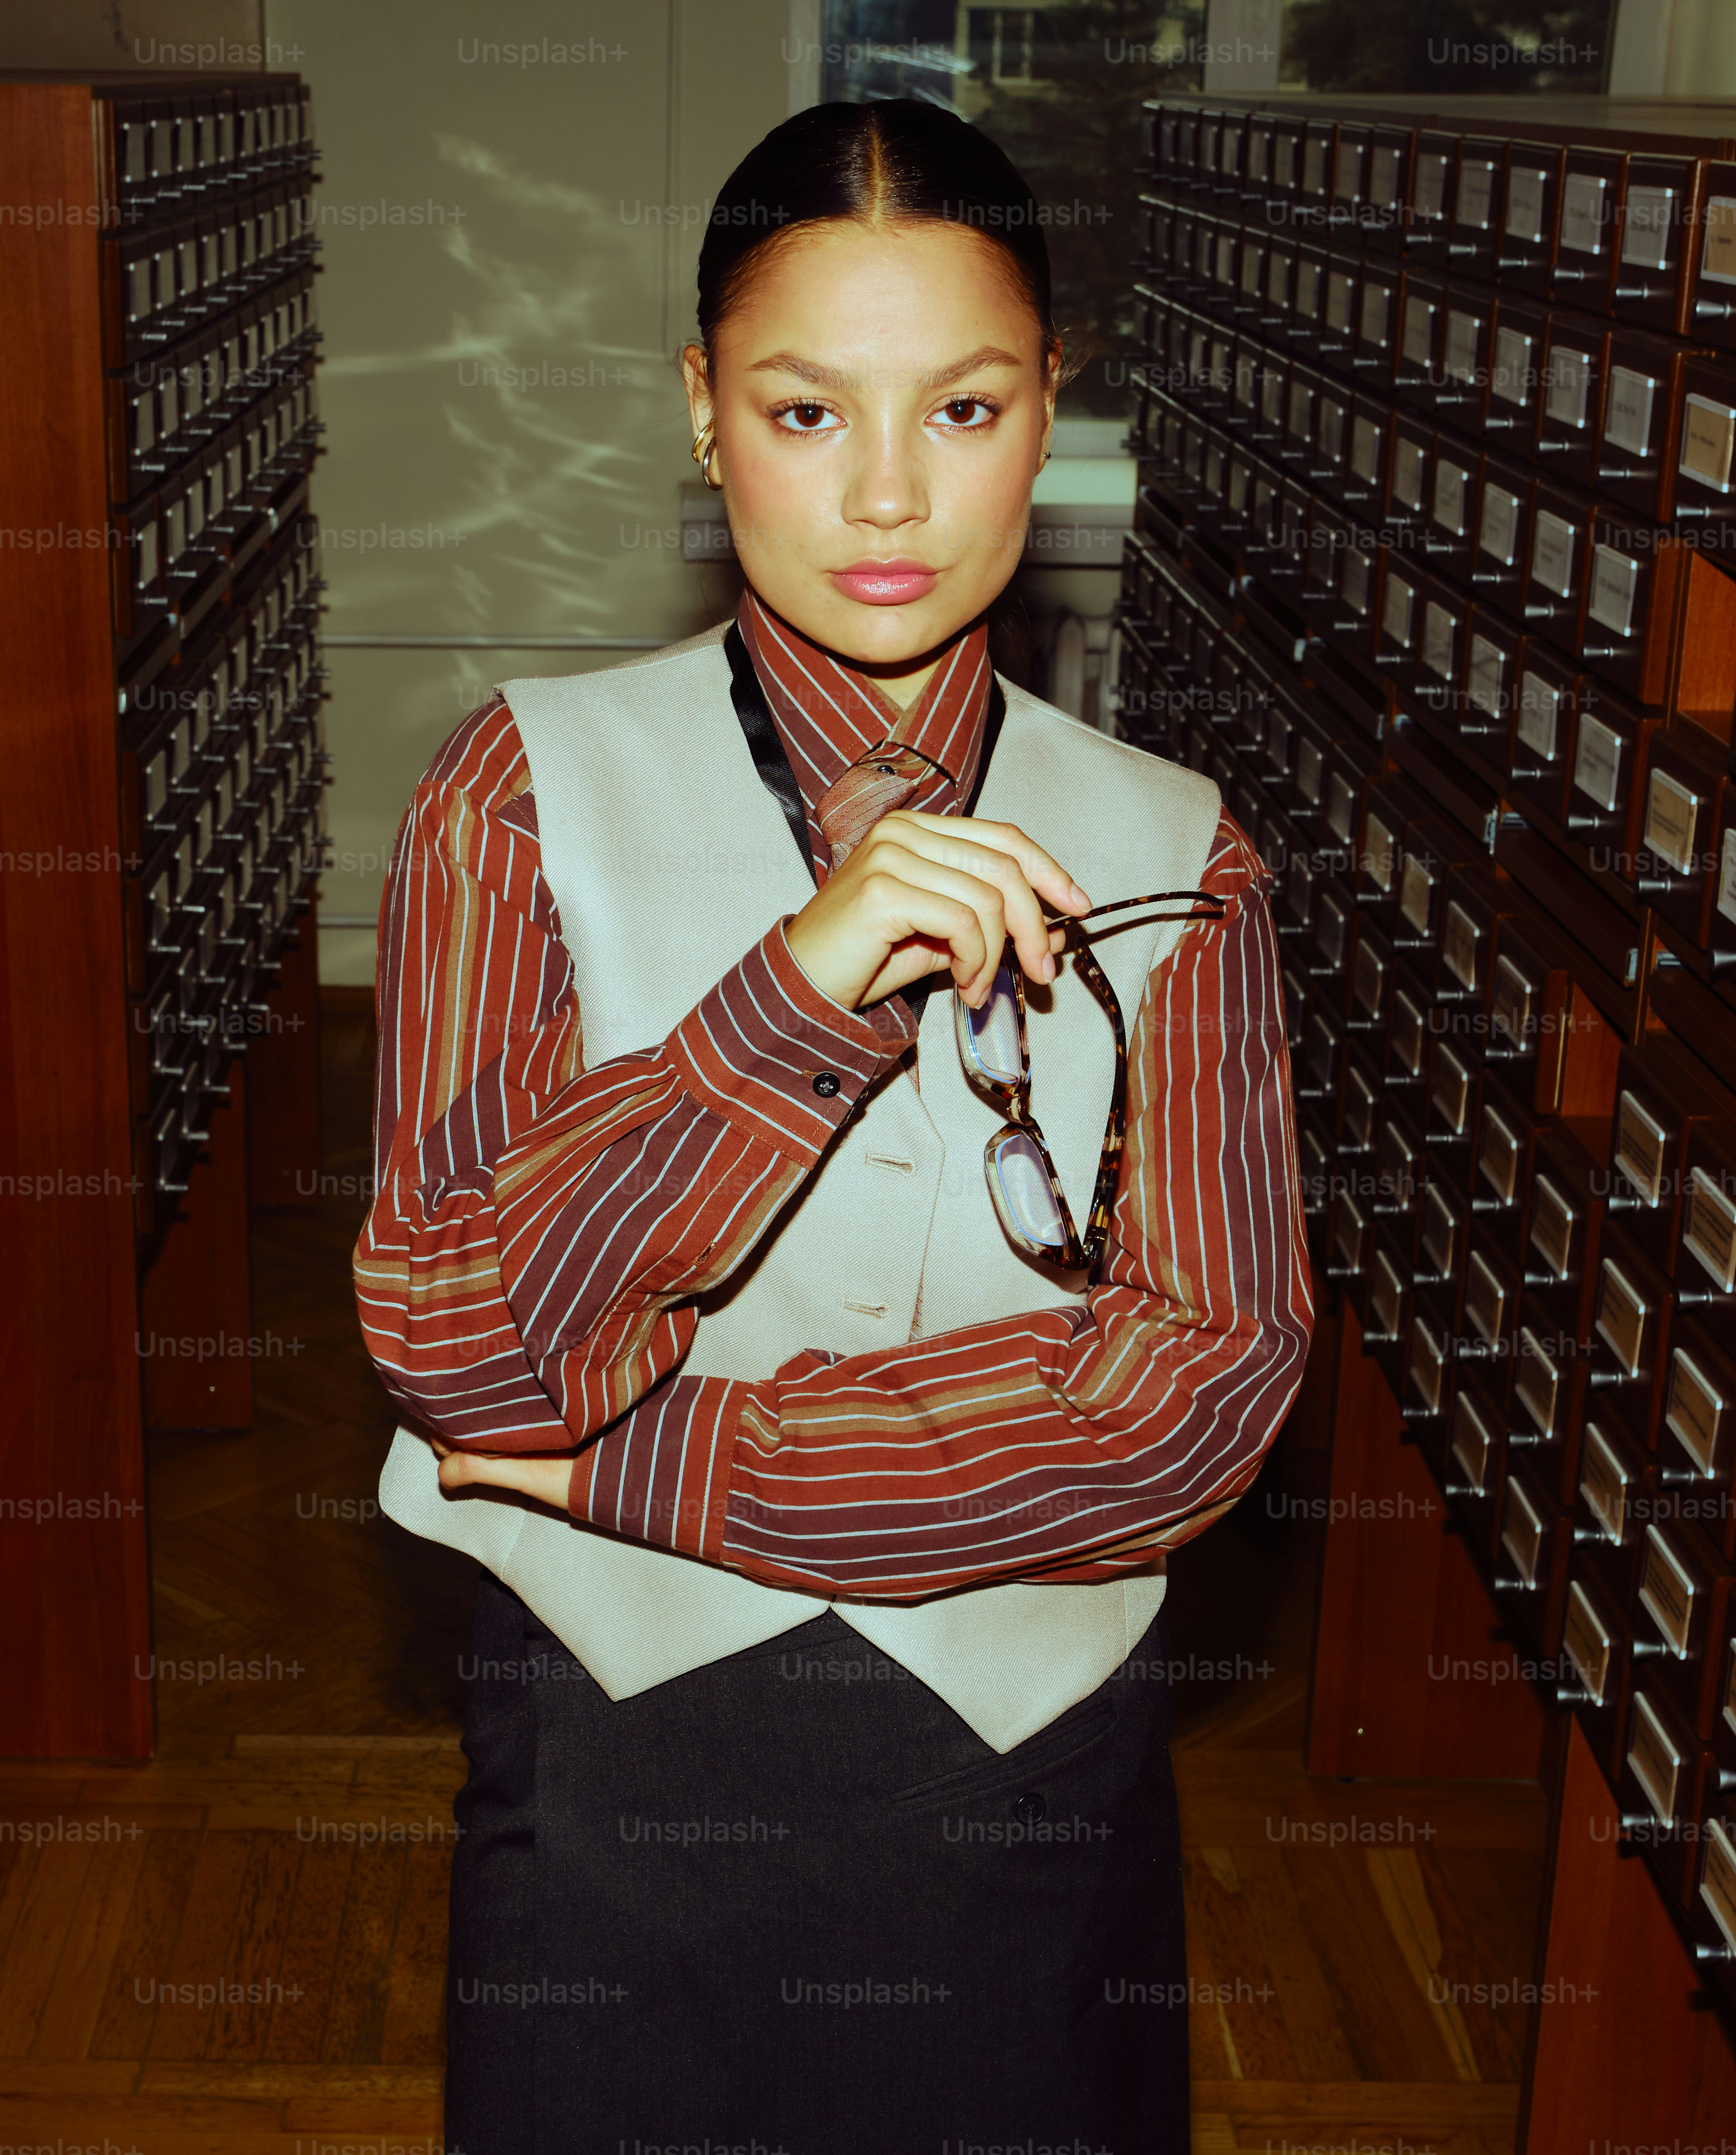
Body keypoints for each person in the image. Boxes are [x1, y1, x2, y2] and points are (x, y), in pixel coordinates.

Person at [354, 97, 1311, 2152]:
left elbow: (1197, 1405)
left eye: (964, 409)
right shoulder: (509, 797)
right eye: (806, 411)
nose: (889, 490)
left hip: (1026, 1775)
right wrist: (796, 995)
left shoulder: (1180, 859)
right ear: (702, 414)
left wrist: (645, 1451)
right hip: (617, 1772)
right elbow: (461, 1341)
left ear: (1052, 406)